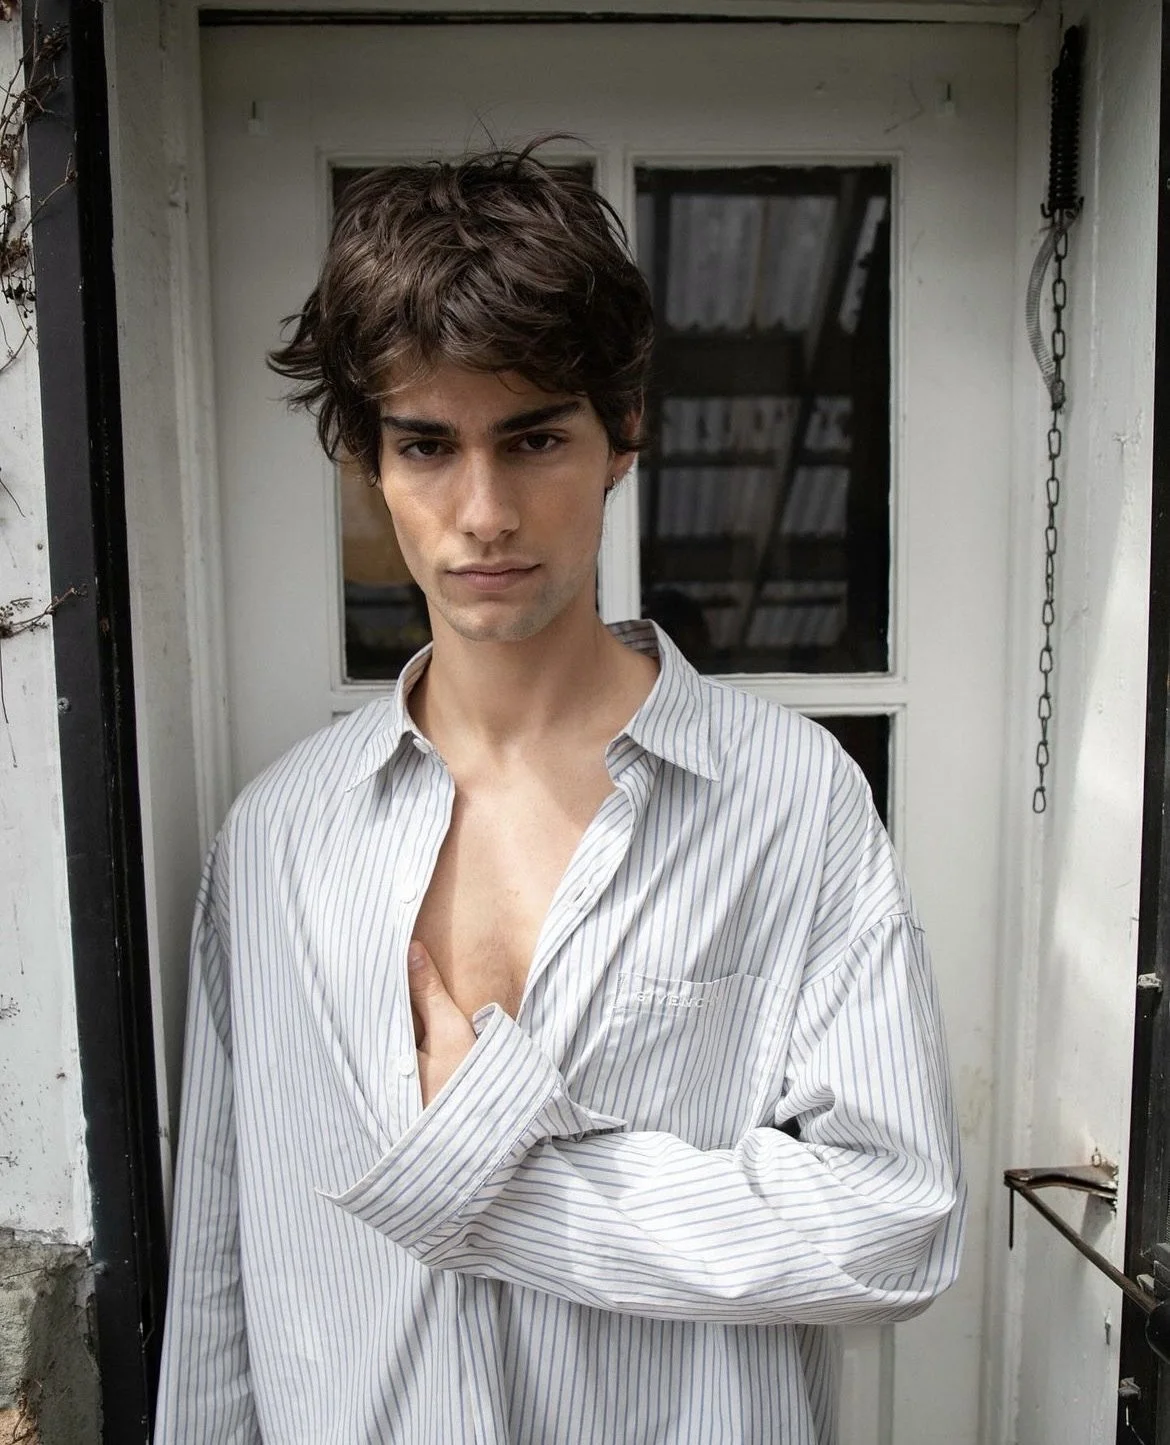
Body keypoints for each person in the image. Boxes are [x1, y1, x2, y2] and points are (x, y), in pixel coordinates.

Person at [155, 143, 964, 1445]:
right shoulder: (279, 839)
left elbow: (891, 1227)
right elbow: (218, 1278)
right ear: (367, 459)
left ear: (620, 437)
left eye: (532, 438)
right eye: (426, 445)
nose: (481, 511)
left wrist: (496, 1189)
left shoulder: (781, 800)